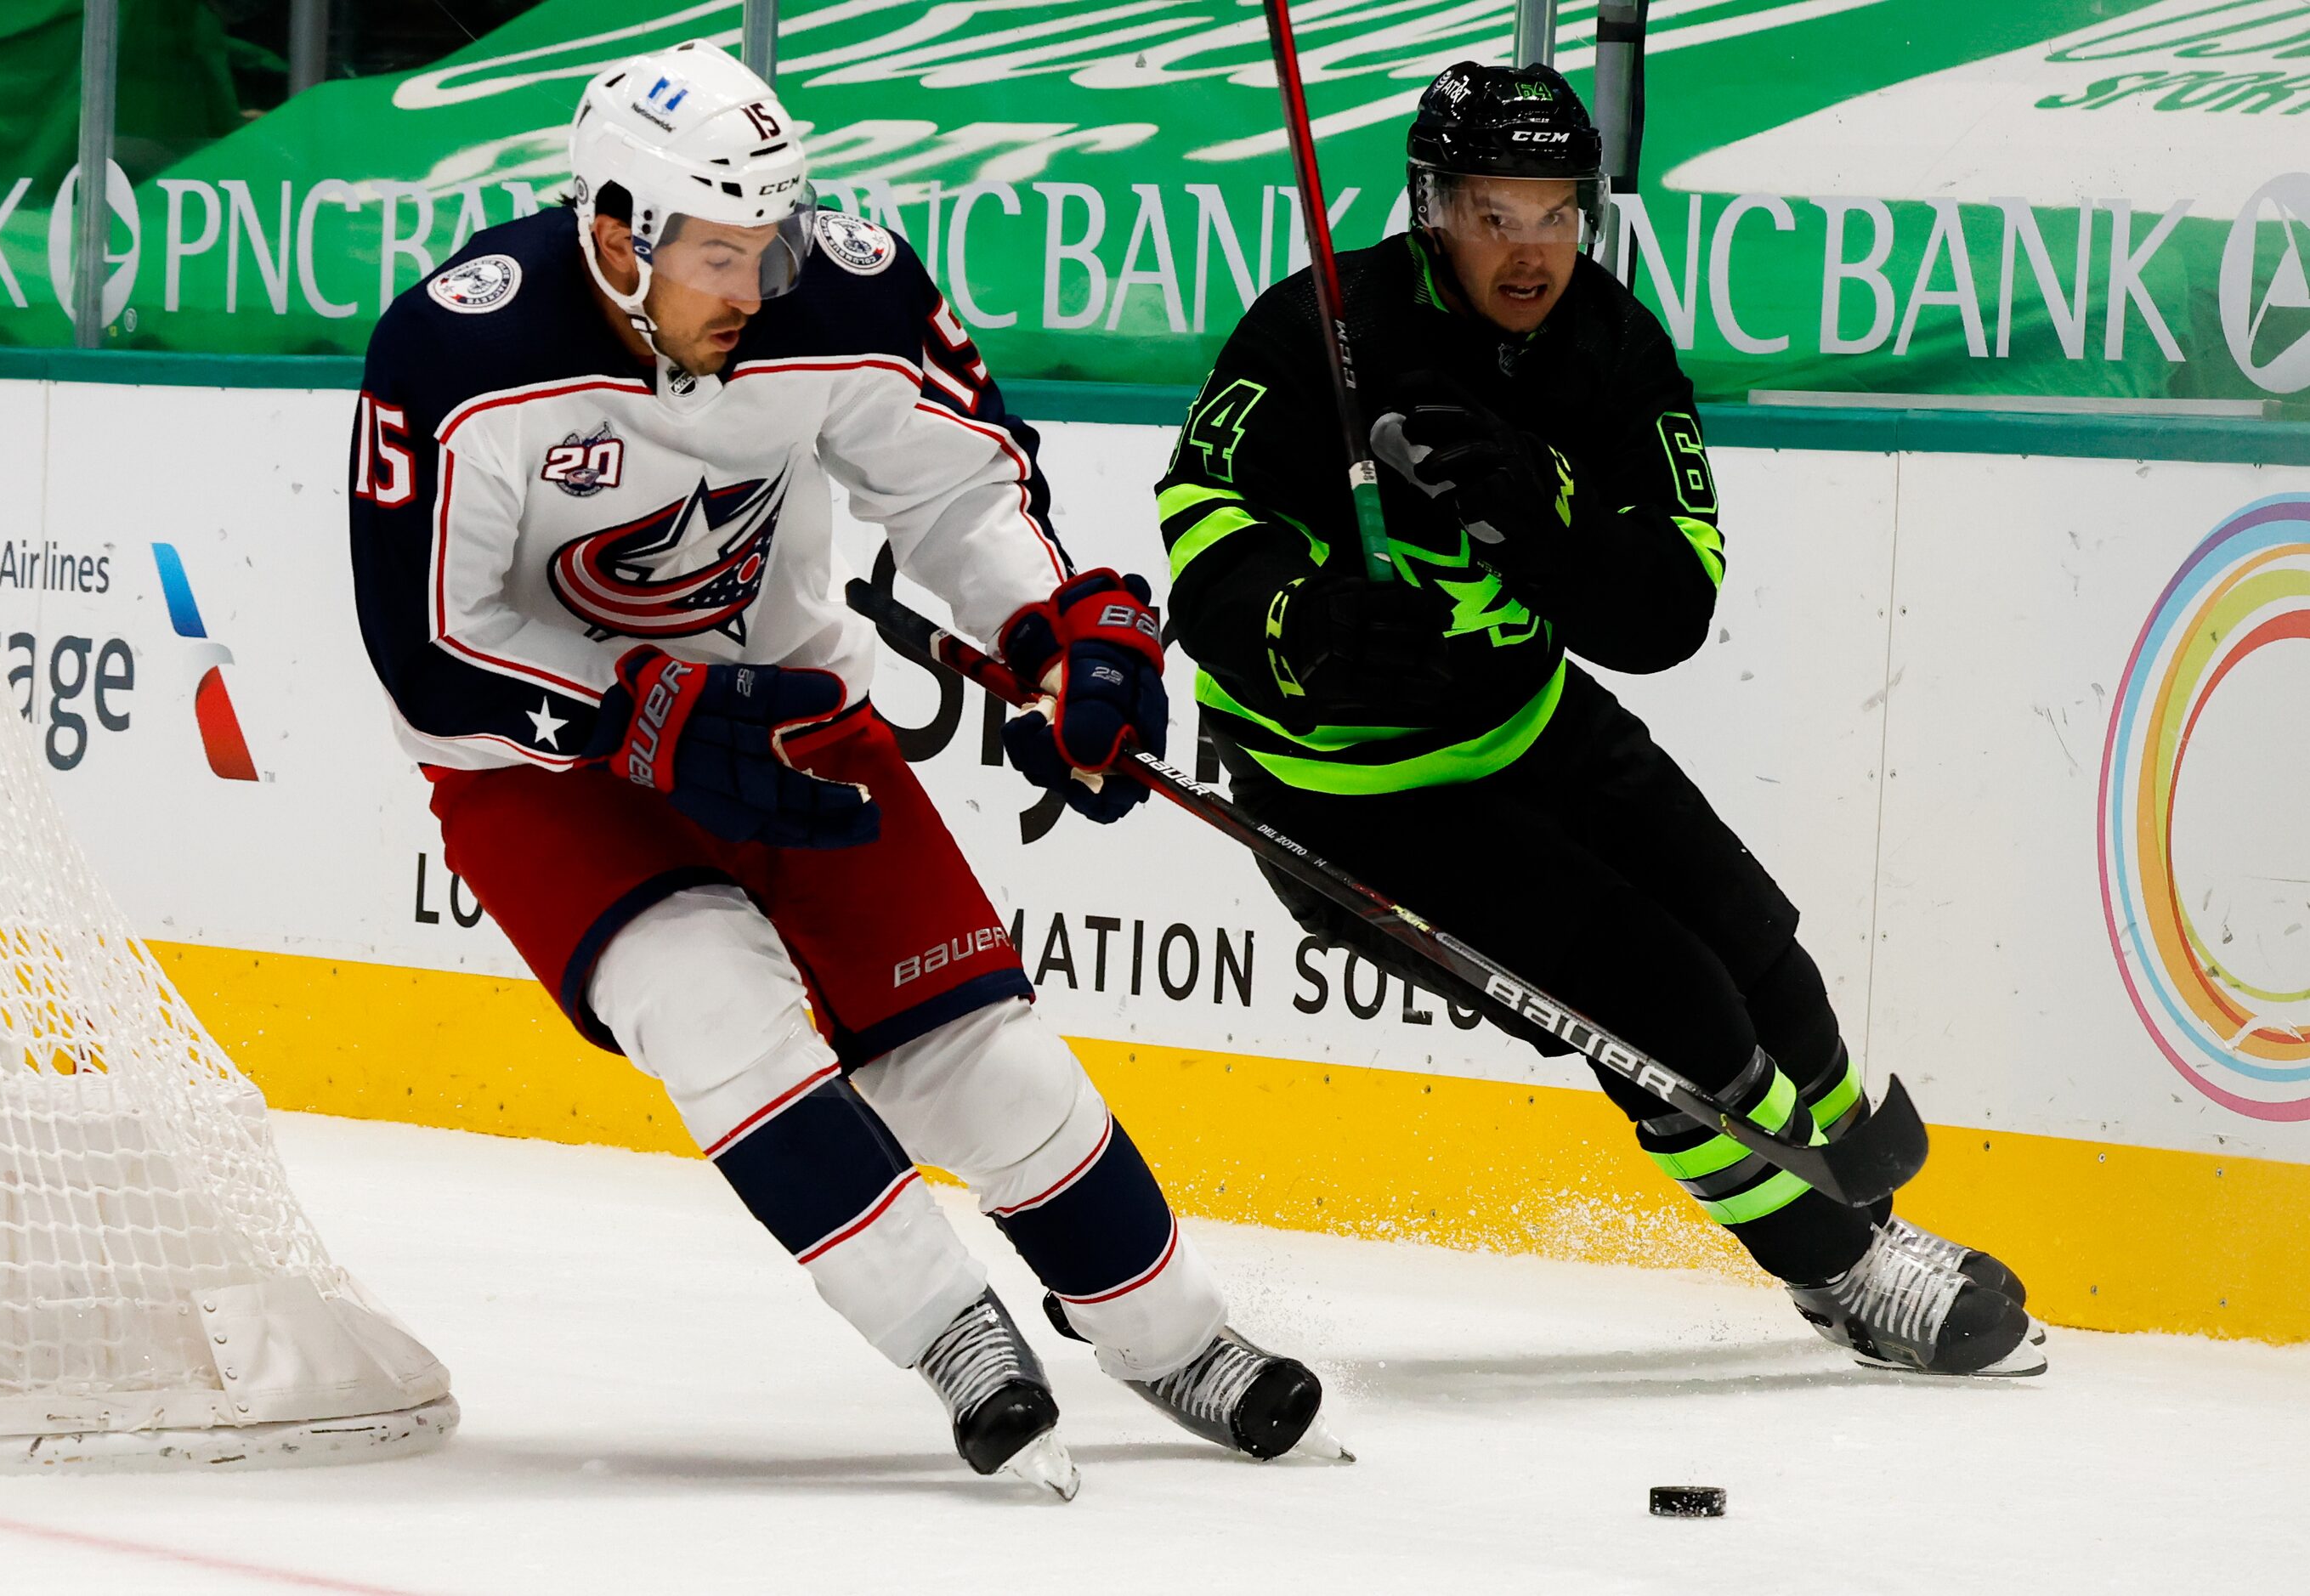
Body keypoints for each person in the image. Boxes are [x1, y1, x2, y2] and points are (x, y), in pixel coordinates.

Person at [348, 40, 1344, 1495]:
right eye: (718, 255)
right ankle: (956, 1340)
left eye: (771, 243)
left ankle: (1177, 1337)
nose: (754, 289)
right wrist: (639, 714)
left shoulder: (845, 292)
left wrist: (1052, 627)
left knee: (982, 1061)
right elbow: (430, 646)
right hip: (541, 757)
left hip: (798, 715)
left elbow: (958, 487)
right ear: (617, 233)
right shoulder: (461, 353)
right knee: (710, 1008)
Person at [1156, 60, 2042, 1377]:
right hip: (1350, 789)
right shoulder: (1317, 330)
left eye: (1557, 214)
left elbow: (1668, 608)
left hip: (1528, 718)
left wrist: (1547, 522)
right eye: (1495, 217)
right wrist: (1307, 630)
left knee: (1764, 964)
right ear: (1429, 208)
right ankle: (1847, 1273)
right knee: (1668, 1008)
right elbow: (1204, 529)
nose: (1531, 252)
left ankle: (1857, 1216)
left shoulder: (1613, 352)